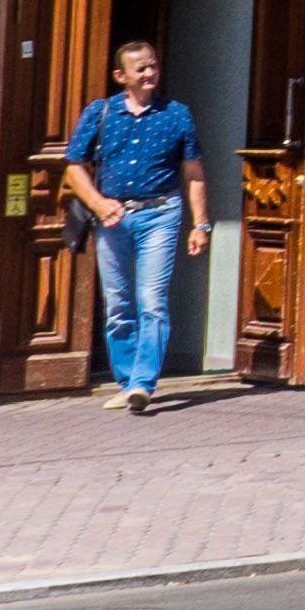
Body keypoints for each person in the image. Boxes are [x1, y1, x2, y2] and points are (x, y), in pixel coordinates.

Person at [60, 36, 218, 409]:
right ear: (121, 75)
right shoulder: (100, 113)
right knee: (117, 303)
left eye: (153, 66)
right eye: (141, 68)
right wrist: (98, 204)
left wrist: (201, 224)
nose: (150, 73)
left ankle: (144, 383)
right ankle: (127, 381)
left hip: (161, 214)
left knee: (152, 300)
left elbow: (193, 172)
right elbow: (73, 167)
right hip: (112, 217)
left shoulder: (176, 113)